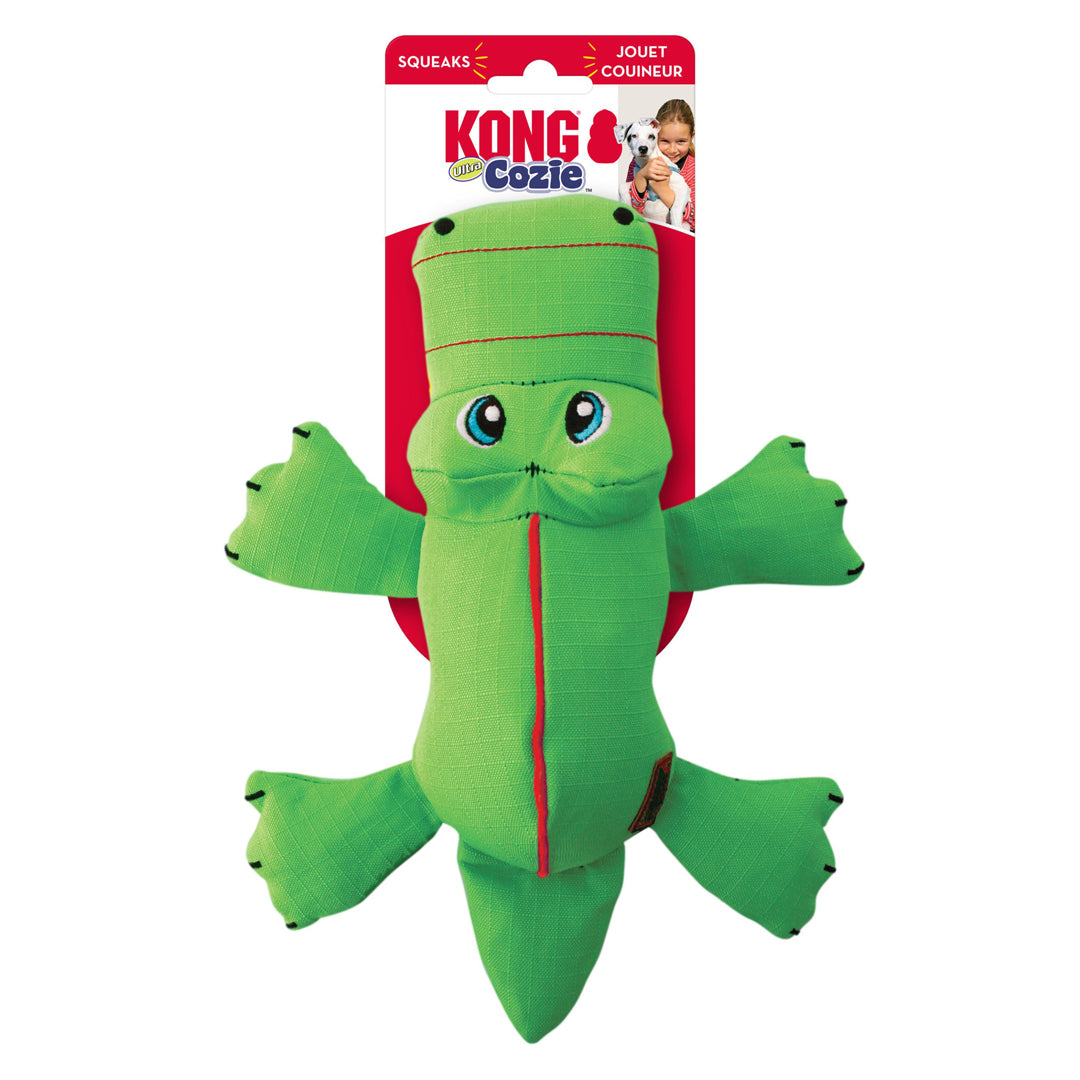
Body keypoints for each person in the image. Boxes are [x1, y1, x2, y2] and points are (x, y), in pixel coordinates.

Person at [624, 99, 696, 232]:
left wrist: (661, 189)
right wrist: (641, 177)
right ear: (655, 133)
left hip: (680, 237)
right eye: (665, 141)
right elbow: (634, 211)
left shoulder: (694, 169)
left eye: (681, 141)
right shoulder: (637, 162)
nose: (672, 150)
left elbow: (695, 221)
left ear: (692, 137)